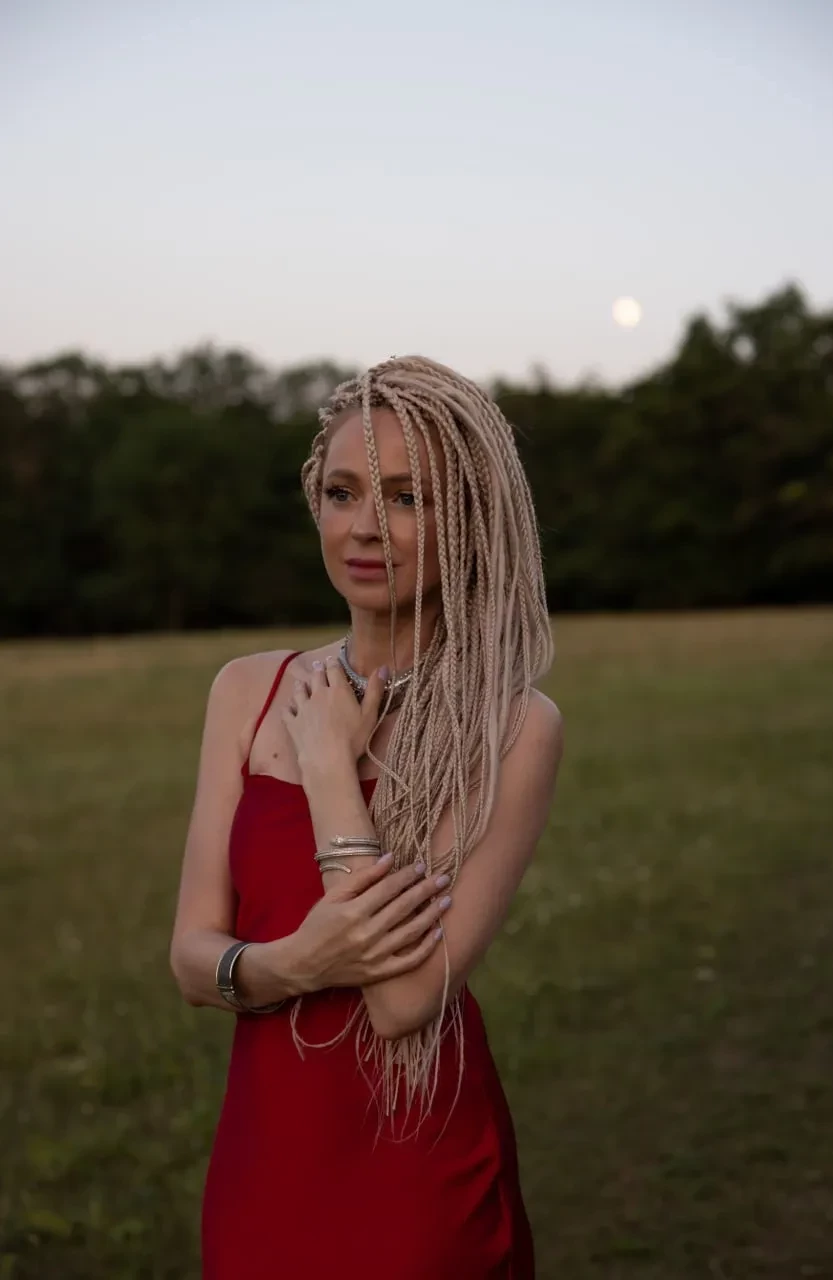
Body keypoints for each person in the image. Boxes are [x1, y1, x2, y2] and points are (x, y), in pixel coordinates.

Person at [170, 355, 564, 1279]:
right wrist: (294, 964)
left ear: (471, 517)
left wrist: (326, 769)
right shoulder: (246, 690)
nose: (363, 528)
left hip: (415, 1169)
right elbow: (190, 957)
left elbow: (402, 1000)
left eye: (407, 498)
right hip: (266, 1154)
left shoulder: (511, 725)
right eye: (342, 492)